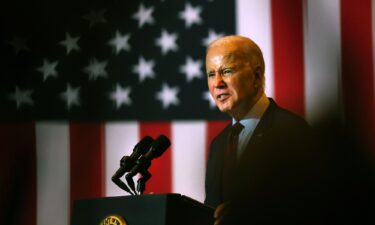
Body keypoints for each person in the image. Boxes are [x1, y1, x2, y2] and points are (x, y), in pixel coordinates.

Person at [204, 35, 326, 225]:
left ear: (256, 75)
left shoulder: (292, 132)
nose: (217, 82)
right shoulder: (218, 144)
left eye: (226, 71)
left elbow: (314, 207)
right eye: (211, 74)